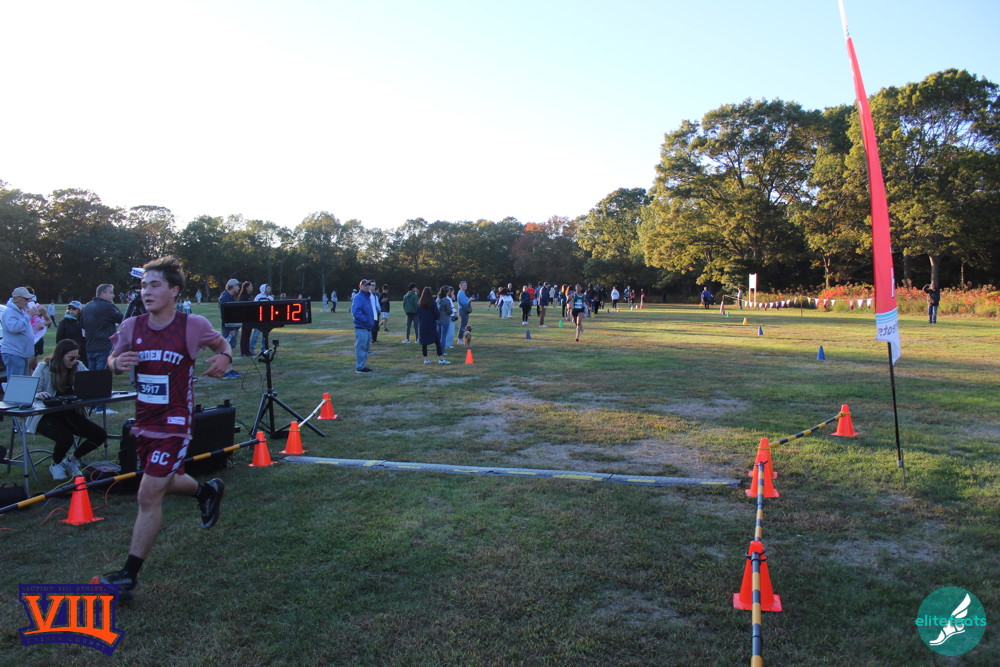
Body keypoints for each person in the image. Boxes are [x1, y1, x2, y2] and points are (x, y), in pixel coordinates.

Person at [96, 257, 231, 602]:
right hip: (144, 422)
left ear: (174, 290)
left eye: (155, 285)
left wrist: (224, 358)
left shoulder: (193, 325)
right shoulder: (131, 326)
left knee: (148, 492)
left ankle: (128, 576)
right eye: (143, 285)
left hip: (176, 422)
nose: (146, 291)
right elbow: (112, 361)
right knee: (164, 480)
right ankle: (206, 492)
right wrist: (116, 362)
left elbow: (222, 344)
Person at [28, 340, 108, 480]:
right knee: (65, 438)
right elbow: (30, 392)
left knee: (99, 434)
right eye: (71, 358)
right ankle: (56, 464)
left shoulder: (78, 366)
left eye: (76, 357)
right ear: (60, 356)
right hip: (44, 416)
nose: (74, 361)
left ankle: (70, 461)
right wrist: (39, 395)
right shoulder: (44, 368)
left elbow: (91, 383)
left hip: (69, 413)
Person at [81, 283, 124, 373]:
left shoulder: (87, 307)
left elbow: (81, 325)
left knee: (92, 377)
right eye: (111, 292)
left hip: (90, 348)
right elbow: (123, 320)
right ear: (103, 294)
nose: (113, 295)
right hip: (104, 348)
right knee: (103, 377)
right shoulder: (107, 306)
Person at [2, 287, 43, 376]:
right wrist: (29, 315)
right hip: (14, 353)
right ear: (17, 299)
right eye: (26, 299)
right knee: (16, 381)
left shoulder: (20, 311)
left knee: (22, 381)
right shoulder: (9, 312)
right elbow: (14, 328)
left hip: (21, 354)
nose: (28, 301)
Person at [417, 287, 448, 364]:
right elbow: (436, 315)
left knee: (424, 343)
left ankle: (426, 359)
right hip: (431, 324)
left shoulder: (419, 303)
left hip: (422, 324)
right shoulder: (432, 303)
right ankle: (441, 359)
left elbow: (417, 314)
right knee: (437, 341)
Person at [351, 280, 376, 373]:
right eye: (365, 285)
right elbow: (356, 312)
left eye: (368, 285)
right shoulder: (358, 297)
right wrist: (367, 320)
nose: (367, 286)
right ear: (360, 286)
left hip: (368, 327)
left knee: (365, 347)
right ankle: (360, 367)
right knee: (361, 347)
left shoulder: (368, 296)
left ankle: (362, 365)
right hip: (361, 326)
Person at [249, 283, 273, 355]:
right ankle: (251, 348)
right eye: (268, 288)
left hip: (267, 318)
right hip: (259, 319)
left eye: (270, 288)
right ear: (264, 289)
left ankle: (264, 349)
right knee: (255, 334)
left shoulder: (270, 298)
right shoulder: (258, 297)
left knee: (265, 335)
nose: (269, 289)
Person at [218, 278, 241, 352]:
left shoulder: (229, 296)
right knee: (228, 348)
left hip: (232, 326)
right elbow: (226, 315)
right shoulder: (226, 298)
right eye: (238, 286)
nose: (239, 288)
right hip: (229, 327)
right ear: (233, 286)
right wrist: (231, 329)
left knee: (230, 347)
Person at [436, 286, 454, 351]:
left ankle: (438, 350)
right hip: (445, 320)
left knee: (438, 336)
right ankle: (442, 351)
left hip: (438, 319)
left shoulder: (438, 299)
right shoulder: (446, 300)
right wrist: (452, 311)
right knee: (443, 336)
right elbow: (449, 311)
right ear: (447, 292)